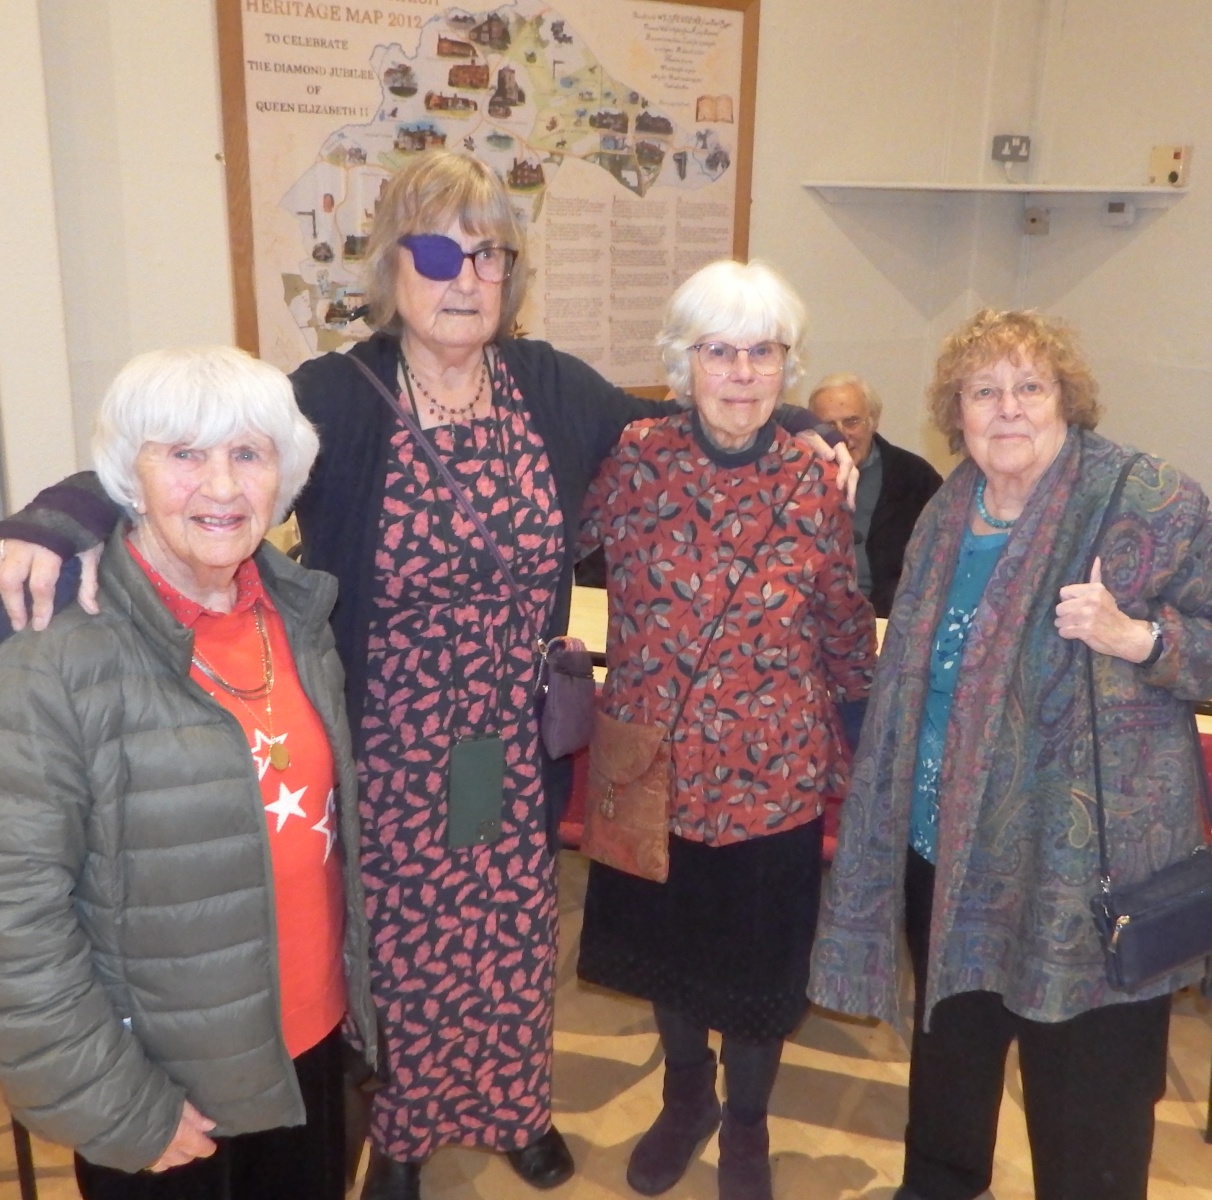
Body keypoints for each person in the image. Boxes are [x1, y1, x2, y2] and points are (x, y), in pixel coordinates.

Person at [0, 150, 853, 1200]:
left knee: (509, 939)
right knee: (402, 953)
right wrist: (56, 519)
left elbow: (690, 421)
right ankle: (402, 1134)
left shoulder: (549, 385)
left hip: (510, 747)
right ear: (392, 265)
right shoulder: (336, 393)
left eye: (489, 255)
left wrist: (807, 427)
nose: (466, 277)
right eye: (440, 253)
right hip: (387, 747)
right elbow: (196, 455)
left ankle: (513, 1112)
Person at [808, 308, 1212, 1200]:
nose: (1009, 408)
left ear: (1068, 398)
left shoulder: (1147, 500)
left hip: (1082, 874)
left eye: (1031, 386)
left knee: (1087, 1102)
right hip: (947, 851)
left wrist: (1137, 637)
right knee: (950, 1073)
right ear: (955, 413)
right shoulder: (949, 510)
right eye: (983, 391)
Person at [0, 346, 376, 1200]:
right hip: (166, 1092)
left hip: (309, 1052)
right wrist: (119, 1108)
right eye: (184, 453)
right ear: (127, 477)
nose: (221, 486)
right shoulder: (54, 656)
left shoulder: (298, 614)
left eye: (248, 453)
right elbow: (16, 924)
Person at [577, 260, 876, 1200]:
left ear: (786, 364)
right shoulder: (633, 457)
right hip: (651, 762)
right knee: (668, 954)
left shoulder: (815, 476)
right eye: (720, 351)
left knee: (756, 969)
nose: (743, 373)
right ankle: (686, 1100)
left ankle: (747, 1121)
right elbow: (547, 540)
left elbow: (839, 609)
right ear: (684, 360)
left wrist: (866, 726)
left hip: (773, 771)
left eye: (763, 352)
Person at [808, 372, 942, 616]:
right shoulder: (795, 479)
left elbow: (939, 564)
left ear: (873, 421)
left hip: (890, 617)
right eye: (828, 426)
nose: (840, 435)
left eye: (852, 422)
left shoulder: (915, 478)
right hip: (812, 618)